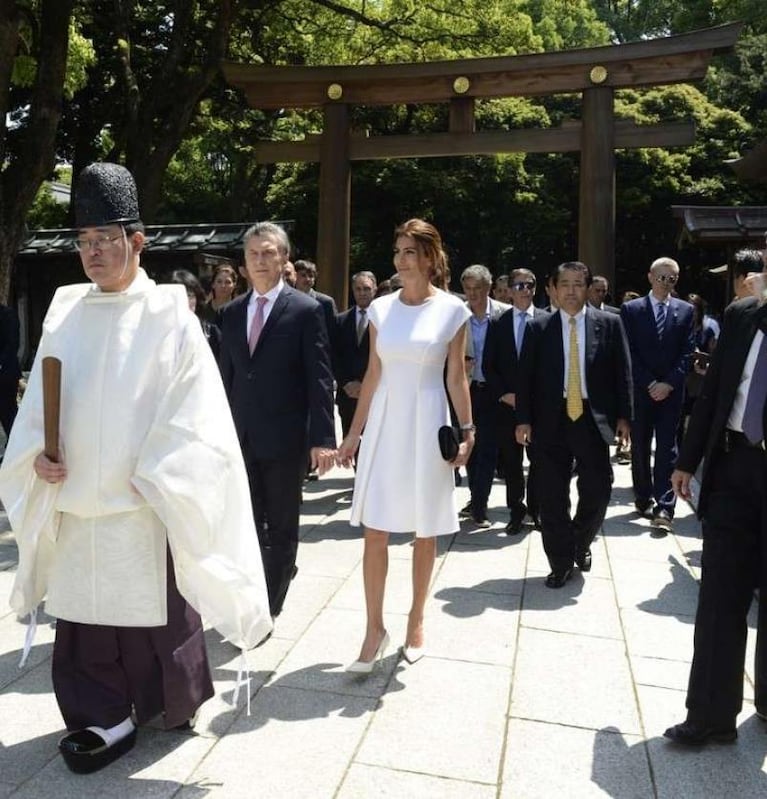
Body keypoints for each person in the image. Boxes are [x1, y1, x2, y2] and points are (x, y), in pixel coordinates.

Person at [0, 162, 271, 773]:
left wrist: (157, 470)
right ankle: (100, 715)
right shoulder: (65, 310)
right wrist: (38, 454)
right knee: (85, 618)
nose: (92, 253)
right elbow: (40, 408)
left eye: (106, 239)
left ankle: (166, 702)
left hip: (142, 495)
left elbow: (192, 408)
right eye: (83, 241)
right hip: (73, 496)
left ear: (137, 241)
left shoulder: (168, 312)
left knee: (150, 611)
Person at [336, 219, 472, 671]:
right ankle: (374, 628)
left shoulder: (453, 311)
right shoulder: (379, 309)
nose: (401, 259)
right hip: (386, 424)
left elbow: (456, 376)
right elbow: (373, 376)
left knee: (424, 529)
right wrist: (353, 435)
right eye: (397, 251)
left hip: (429, 420)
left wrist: (467, 431)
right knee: (375, 529)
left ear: (430, 258)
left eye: (410, 251)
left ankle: (416, 619)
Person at [664, 271, 767, 747]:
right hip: (732, 467)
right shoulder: (742, 315)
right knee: (718, 596)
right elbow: (715, 392)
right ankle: (710, 714)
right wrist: (687, 460)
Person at [218, 223, 336, 618]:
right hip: (241, 437)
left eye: (269, 253)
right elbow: (226, 378)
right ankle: (250, 594)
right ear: (244, 263)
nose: (261, 261)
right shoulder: (231, 314)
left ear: (284, 258)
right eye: (253, 254)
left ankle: (269, 607)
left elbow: (319, 377)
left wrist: (322, 438)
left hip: (286, 438)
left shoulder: (305, 310)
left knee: (282, 526)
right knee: (246, 524)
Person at [516, 261, 632, 588]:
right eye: (564, 284)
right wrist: (523, 419)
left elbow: (623, 373)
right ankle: (561, 561)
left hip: (592, 419)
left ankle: (580, 541)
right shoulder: (538, 328)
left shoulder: (610, 324)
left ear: (589, 288)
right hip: (549, 421)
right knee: (550, 495)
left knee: (598, 488)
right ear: (553, 288)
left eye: (577, 284)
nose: (570, 291)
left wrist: (625, 417)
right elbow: (525, 378)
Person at [620, 257, 694, 534]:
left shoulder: (685, 311)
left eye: (672, 278)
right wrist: (650, 382)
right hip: (641, 390)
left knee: (667, 449)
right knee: (639, 446)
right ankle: (642, 495)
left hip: (671, 393)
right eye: (662, 277)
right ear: (650, 276)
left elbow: (687, 352)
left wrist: (669, 383)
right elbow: (627, 351)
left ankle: (665, 505)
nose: (666, 283)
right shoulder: (631, 309)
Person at [483, 268, 548, 534]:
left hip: (538, 406)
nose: (525, 290)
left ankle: (536, 509)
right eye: (519, 285)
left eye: (529, 285)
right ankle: (516, 511)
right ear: (509, 290)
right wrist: (505, 394)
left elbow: (552, 366)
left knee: (540, 461)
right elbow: (489, 365)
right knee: (511, 462)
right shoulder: (498, 323)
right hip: (507, 405)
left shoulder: (548, 320)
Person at [459, 264, 509, 528]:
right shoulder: (457, 314)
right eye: (467, 289)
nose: (472, 294)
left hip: (492, 391)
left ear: (488, 288)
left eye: (477, 288)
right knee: (470, 448)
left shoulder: (504, 314)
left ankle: (479, 507)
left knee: (488, 449)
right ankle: (474, 498)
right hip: (464, 391)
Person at [333, 271, 377, 454]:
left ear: (374, 289)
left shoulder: (382, 320)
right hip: (347, 394)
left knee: (372, 443)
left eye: (366, 288)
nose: (362, 293)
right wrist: (345, 383)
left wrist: (364, 384)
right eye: (358, 289)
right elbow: (333, 356)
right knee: (352, 443)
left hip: (373, 392)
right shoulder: (340, 320)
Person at [169, 269, 221, 360]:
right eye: (178, 296)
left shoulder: (211, 333)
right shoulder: (158, 332)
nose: (185, 301)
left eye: (190, 295)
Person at [294, 258, 338, 338]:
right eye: (303, 275)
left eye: (311, 276)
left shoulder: (326, 302)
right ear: (295, 276)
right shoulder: (286, 300)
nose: (307, 279)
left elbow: (333, 333)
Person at [0, 302, 21, 441]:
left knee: (8, 413)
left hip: (6, 375)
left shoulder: (8, 314)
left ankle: (16, 448)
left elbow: (13, 344)